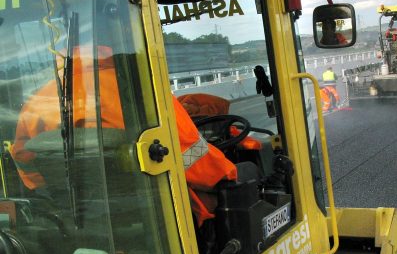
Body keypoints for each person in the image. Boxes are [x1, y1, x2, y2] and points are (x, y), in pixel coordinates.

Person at [11, 45, 236, 227]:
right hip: (157, 215)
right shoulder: (143, 90)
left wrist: (58, 194)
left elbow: (23, 157)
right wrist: (229, 175)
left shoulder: (37, 102)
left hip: (77, 216)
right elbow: (194, 160)